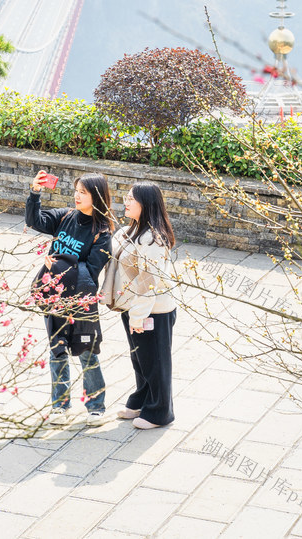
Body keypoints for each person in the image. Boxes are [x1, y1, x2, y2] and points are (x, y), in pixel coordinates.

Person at [26, 170, 114, 426]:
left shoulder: (102, 233)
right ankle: (60, 406)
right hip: (54, 299)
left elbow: (91, 271)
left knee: (87, 352)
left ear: (96, 197)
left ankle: (96, 406)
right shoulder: (65, 216)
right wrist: (35, 192)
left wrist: (58, 263)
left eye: (83, 193)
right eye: (76, 191)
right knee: (58, 352)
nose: (77, 196)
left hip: (81, 302)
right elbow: (35, 221)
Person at [111, 182, 177, 429]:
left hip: (153, 311)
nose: (126, 202)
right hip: (134, 307)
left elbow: (148, 282)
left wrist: (137, 316)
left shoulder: (152, 239)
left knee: (156, 362)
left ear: (146, 205)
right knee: (141, 360)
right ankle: (142, 400)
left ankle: (160, 412)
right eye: (126, 197)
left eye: (132, 199)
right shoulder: (133, 230)